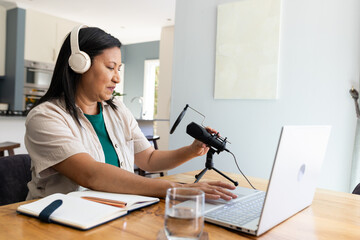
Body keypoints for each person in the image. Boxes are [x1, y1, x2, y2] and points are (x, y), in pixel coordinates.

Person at [25, 25, 237, 201]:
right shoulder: (45, 117)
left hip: (114, 210)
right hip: (58, 221)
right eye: (110, 67)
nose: (117, 78)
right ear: (79, 64)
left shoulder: (116, 109)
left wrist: (192, 150)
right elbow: (90, 174)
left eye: (119, 69)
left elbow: (149, 159)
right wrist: (174, 189)